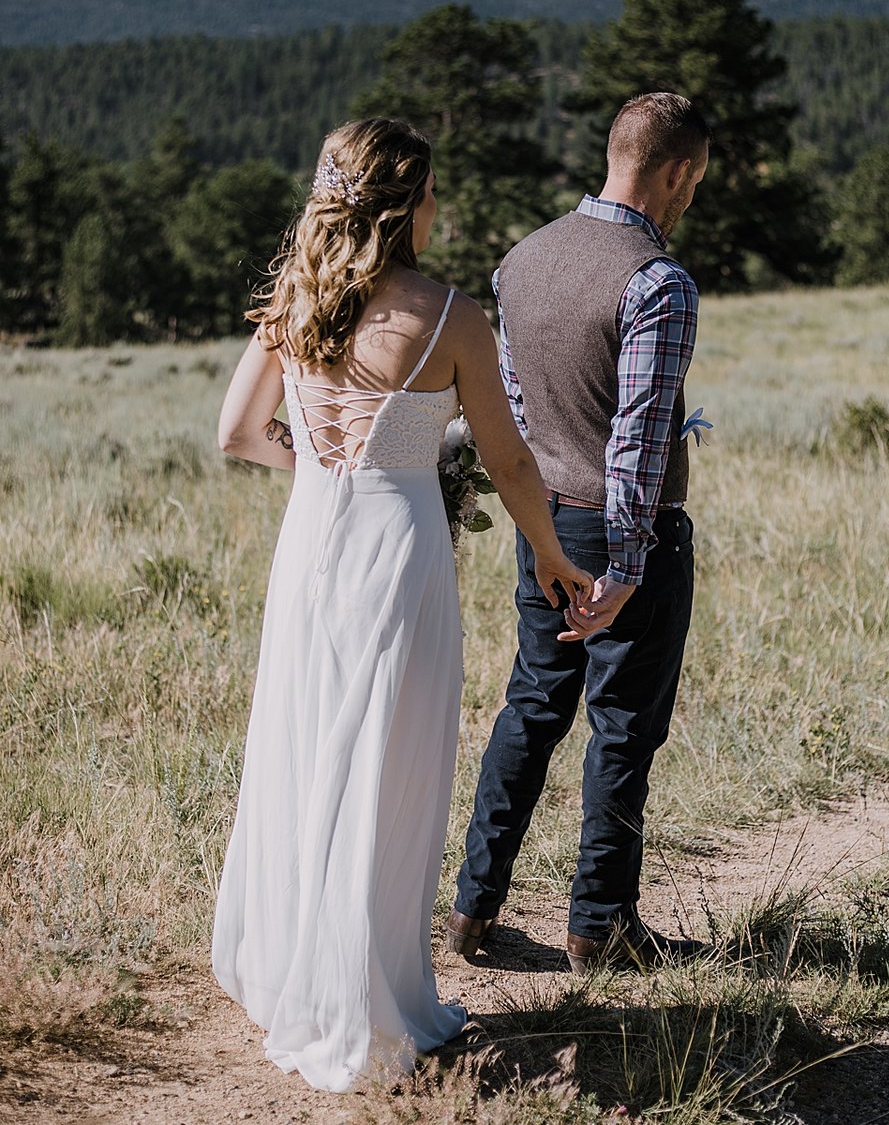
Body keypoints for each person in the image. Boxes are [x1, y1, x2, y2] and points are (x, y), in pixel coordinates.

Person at [211, 117, 592, 1092]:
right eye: (430, 189)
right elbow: (508, 458)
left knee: (312, 750)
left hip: (314, 549)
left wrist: (325, 472)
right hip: (398, 553)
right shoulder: (452, 313)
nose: (439, 205)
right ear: (407, 201)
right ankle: (374, 997)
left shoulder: (296, 300)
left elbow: (238, 433)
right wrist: (548, 552)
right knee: (389, 763)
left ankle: (305, 976)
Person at [447, 91, 710, 974]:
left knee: (531, 704)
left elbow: (513, 412)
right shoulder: (657, 281)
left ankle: (472, 910)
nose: (691, 198)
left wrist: (541, 521)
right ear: (675, 170)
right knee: (624, 727)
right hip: (621, 533)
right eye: (695, 181)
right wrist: (631, 565)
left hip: (543, 520)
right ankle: (599, 927)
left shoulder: (524, 259)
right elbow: (637, 441)